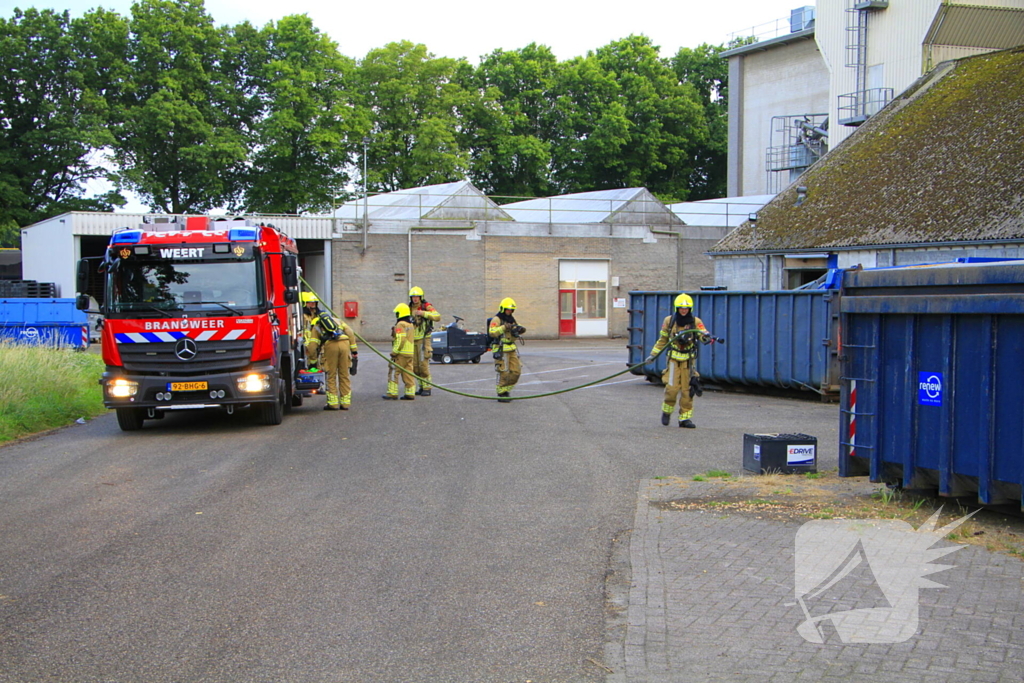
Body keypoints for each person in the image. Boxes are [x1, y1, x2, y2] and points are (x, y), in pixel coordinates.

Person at [645, 293, 713, 428]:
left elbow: (703, 334)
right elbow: (662, 340)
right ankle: (667, 411)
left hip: (688, 362)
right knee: (672, 389)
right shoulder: (669, 321)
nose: (683, 310)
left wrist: (706, 337)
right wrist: (653, 355)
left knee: (688, 391)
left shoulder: (695, 322)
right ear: (677, 308)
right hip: (673, 361)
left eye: (686, 308)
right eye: (681, 308)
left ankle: (684, 419)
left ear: (690, 309)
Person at [309, 304, 358, 411]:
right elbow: (350, 333)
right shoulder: (338, 321)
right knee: (344, 375)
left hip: (330, 346)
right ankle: (345, 403)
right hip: (344, 343)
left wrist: (312, 362)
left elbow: (312, 346)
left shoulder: (316, 325)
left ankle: (333, 404)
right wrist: (354, 350)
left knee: (331, 375)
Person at [488, 297, 525, 403]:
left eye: (511, 310)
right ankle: (501, 393)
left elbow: (515, 328)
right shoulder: (497, 319)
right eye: (508, 309)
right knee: (503, 372)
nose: (510, 312)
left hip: (511, 348)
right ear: (503, 309)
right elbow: (492, 332)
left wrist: (520, 329)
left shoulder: (511, 319)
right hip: (501, 348)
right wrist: (503, 327)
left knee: (516, 371)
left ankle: (506, 389)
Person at [408, 286, 441, 396]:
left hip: (423, 340)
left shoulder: (426, 306)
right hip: (412, 340)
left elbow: (437, 316)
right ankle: (421, 386)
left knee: (423, 364)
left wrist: (423, 313)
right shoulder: (408, 308)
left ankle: (427, 387)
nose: (415, 299)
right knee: (415, 366)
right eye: (413, 297)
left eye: (417, 297)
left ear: (421, 297)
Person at [383, 303, 416, 401]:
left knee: (394, 371)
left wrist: (394, 352)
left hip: (401, 353)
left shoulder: (400, 324)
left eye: (397, 313)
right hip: (409, 353)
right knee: (408, 373)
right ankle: (410, 393)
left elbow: (400, 339)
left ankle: (392, 393)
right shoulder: (410, 324)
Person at [300, 292, 322, 371]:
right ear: (304, 303)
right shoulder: (303, 316)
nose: (313, 304)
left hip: (316, 340)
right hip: (307, 342)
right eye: (310, 302)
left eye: (314, 302)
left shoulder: (318, 314)